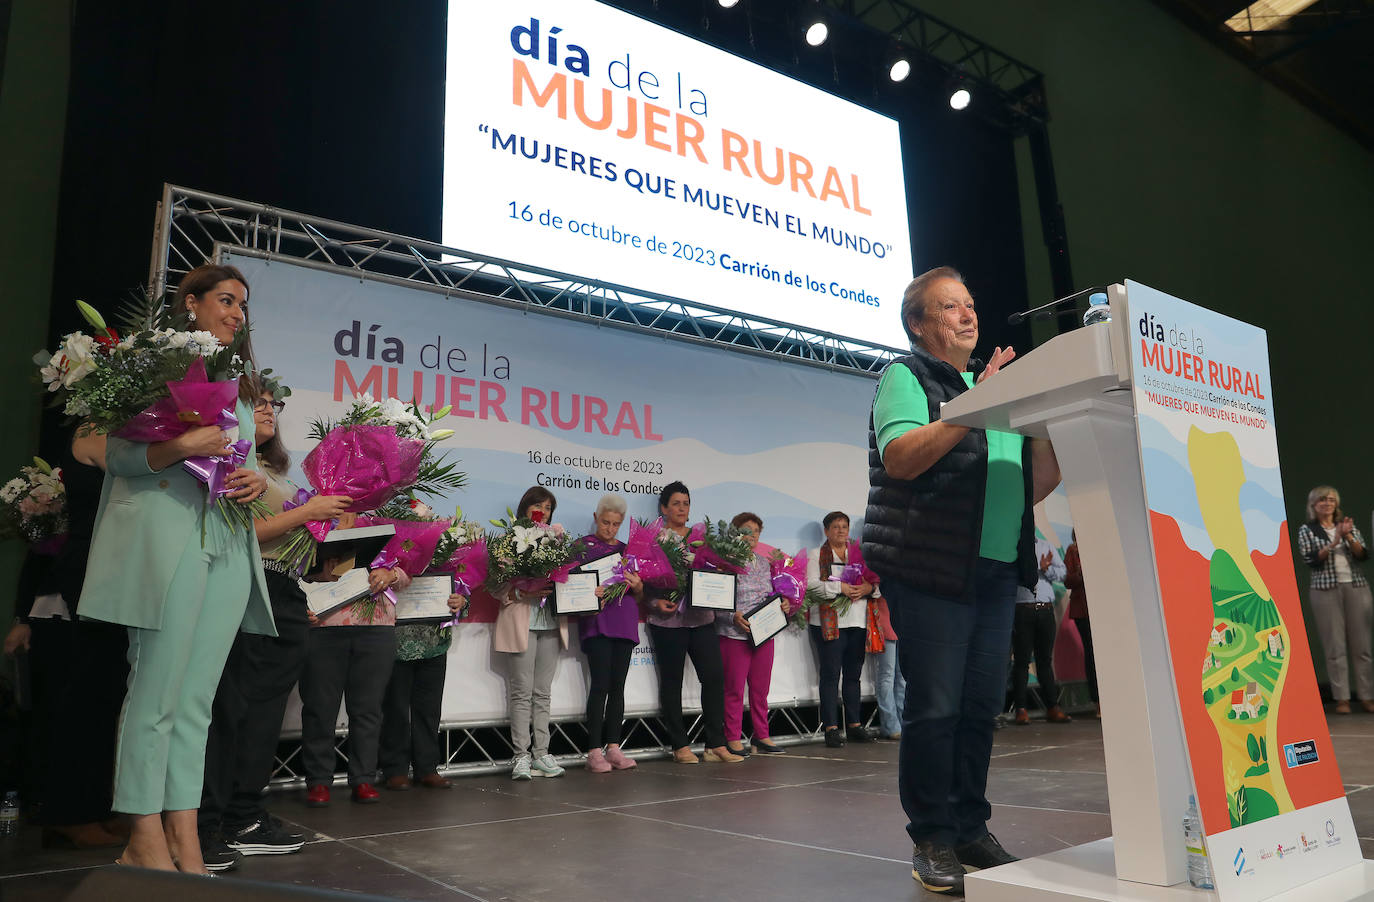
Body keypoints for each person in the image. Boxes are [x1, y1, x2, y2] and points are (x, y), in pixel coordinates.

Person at [862, 266, 1060, 893]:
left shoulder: (988, 391)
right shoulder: (908, 375)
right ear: (919, 325)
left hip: (997, 574)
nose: (968, 316)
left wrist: (1043, 421)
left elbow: (1036, 487)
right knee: (937, 707)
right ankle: (933, 837)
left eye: (971, 305)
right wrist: (978, 405)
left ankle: (970, 826)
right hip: (931, 570)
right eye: (950, 307)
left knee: (980, 707)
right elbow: (900, 456)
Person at [78, 263, 273, 874]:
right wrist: (180, 447)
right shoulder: (145, 361)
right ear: (189, 303)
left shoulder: (237, 385)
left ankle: (185, 836)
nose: (237, 312)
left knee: (195, 704)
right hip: (168, 542)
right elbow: (93, 447)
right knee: (155, 695)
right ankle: (142, 833)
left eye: (243, 304)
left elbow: (241, 462)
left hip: (228, 545)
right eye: (226, 299)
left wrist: (255, 476)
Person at [197, 383, 351, 869]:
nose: (265, 410)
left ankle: (245, 813)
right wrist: (309, 512)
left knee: (263, 717)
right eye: (254, 402)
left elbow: (289, 544)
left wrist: (325, 563)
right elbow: (237, 534)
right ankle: (206, 823)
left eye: (271, 403)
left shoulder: (276, 472)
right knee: (231, 711)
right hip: (246, 587)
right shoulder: (231, 462)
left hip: (284, 592)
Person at [4, 429, 128, 849]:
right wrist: (24, 613)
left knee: (99, 701)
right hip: (73, 591)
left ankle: (90, 809)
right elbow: (43, 546)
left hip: (99, 586)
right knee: (75, 706)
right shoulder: (92, 440)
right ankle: (67, 814)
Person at [644, 482, 742, 764]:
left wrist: (720, 573)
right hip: (667, 621)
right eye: (675, 503)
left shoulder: (703, 538)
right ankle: (679, 746)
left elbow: (717, 576)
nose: (682, 508)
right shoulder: (655, 540)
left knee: (713, 678)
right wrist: (655, 604)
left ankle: (715, 744)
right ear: (663, 508)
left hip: (701, 619)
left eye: (685, 503)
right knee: (671, 682)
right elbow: (646, 584)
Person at [492, 486, 571, 780]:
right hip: (521, 624)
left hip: (550, 624)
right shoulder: (508, 541)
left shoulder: (557, 542)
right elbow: (495, 587)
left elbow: (567, 583)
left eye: (548, 507)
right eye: (538, 505)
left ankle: (542, 754)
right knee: (521, 693)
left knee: (543, 693)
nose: (543, 511)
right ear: (525, 507)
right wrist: (524, 591)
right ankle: (521, 756)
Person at [573, 494, 645, 773]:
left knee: (618, 687)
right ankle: (593, 750)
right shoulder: (581, 548)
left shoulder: (628, 551)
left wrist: (637, 585)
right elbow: (569, 587)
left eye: (616, 524)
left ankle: (614, 747)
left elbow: (639, 595)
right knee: (600, 685)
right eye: (606, 522)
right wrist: (587, 591)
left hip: (624, 623)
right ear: (595, 517)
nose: (610, 529)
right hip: (597, 623)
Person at [715, 512, 787, 756]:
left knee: (760, 689)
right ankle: (733, 738)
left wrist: (782, 605)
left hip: (763, 633)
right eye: (746, 530)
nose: (751, 536)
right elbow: (715, 600)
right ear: (735, 534)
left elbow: (768, 595)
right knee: (734, 689)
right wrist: (733, 615)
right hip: (734, 633)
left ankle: (761, 736)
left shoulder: (764, 562)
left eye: (756, 531)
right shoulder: (724, 562)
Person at [1297, 486, 1372, 715]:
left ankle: (1367, 696)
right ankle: (1342, 699)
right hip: (1325, 590)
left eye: (1331, 500)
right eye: (1322, 500)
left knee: (1363, 647)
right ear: (1313, 505)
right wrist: (1333, 542)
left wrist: (1347, 535)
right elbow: (1311, 560)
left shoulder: (1347, 526)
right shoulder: (1307, 530)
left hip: (1356, 587)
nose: (1328, 503)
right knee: (1334, 646)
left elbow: (1362, 554)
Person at [806, 511, 878, 747]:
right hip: (828, 625)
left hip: (856, 622)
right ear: (826, 531)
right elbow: (811, 586)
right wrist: (841, 589)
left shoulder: (858, 554)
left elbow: (876, 585)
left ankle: (855, 724)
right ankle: (831, 727)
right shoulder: (817, 555)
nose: (840, 531)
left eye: (844, 526)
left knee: (853, 676)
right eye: (835, 527)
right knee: (830, 675)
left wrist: (867, 588)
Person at [1010, 536, 1071, 725]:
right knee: (1021, 661)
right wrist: (1036, 569)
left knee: (1045, 660)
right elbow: (1009, 573)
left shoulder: (1046, 546)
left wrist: (1047, 569)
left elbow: (1063, 574)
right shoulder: (1013, 546)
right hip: (1022, 609)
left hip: (1045, 609)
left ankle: (1053, 707)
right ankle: (1021, 709)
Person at [1062, 532, 1099, 718]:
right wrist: (1081, 574)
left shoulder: (1101, 548)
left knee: (1106, 654)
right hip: (1083, 611)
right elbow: (1066, 580)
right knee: (1092, 655)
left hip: (1103, 610)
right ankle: (1098, 701)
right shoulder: (1072, 551)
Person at [868, 589, 905, 741]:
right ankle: (891, 725)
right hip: (883, 620)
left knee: (902, 677)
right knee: (887, 675)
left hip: (902, 621)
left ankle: (904, 723)